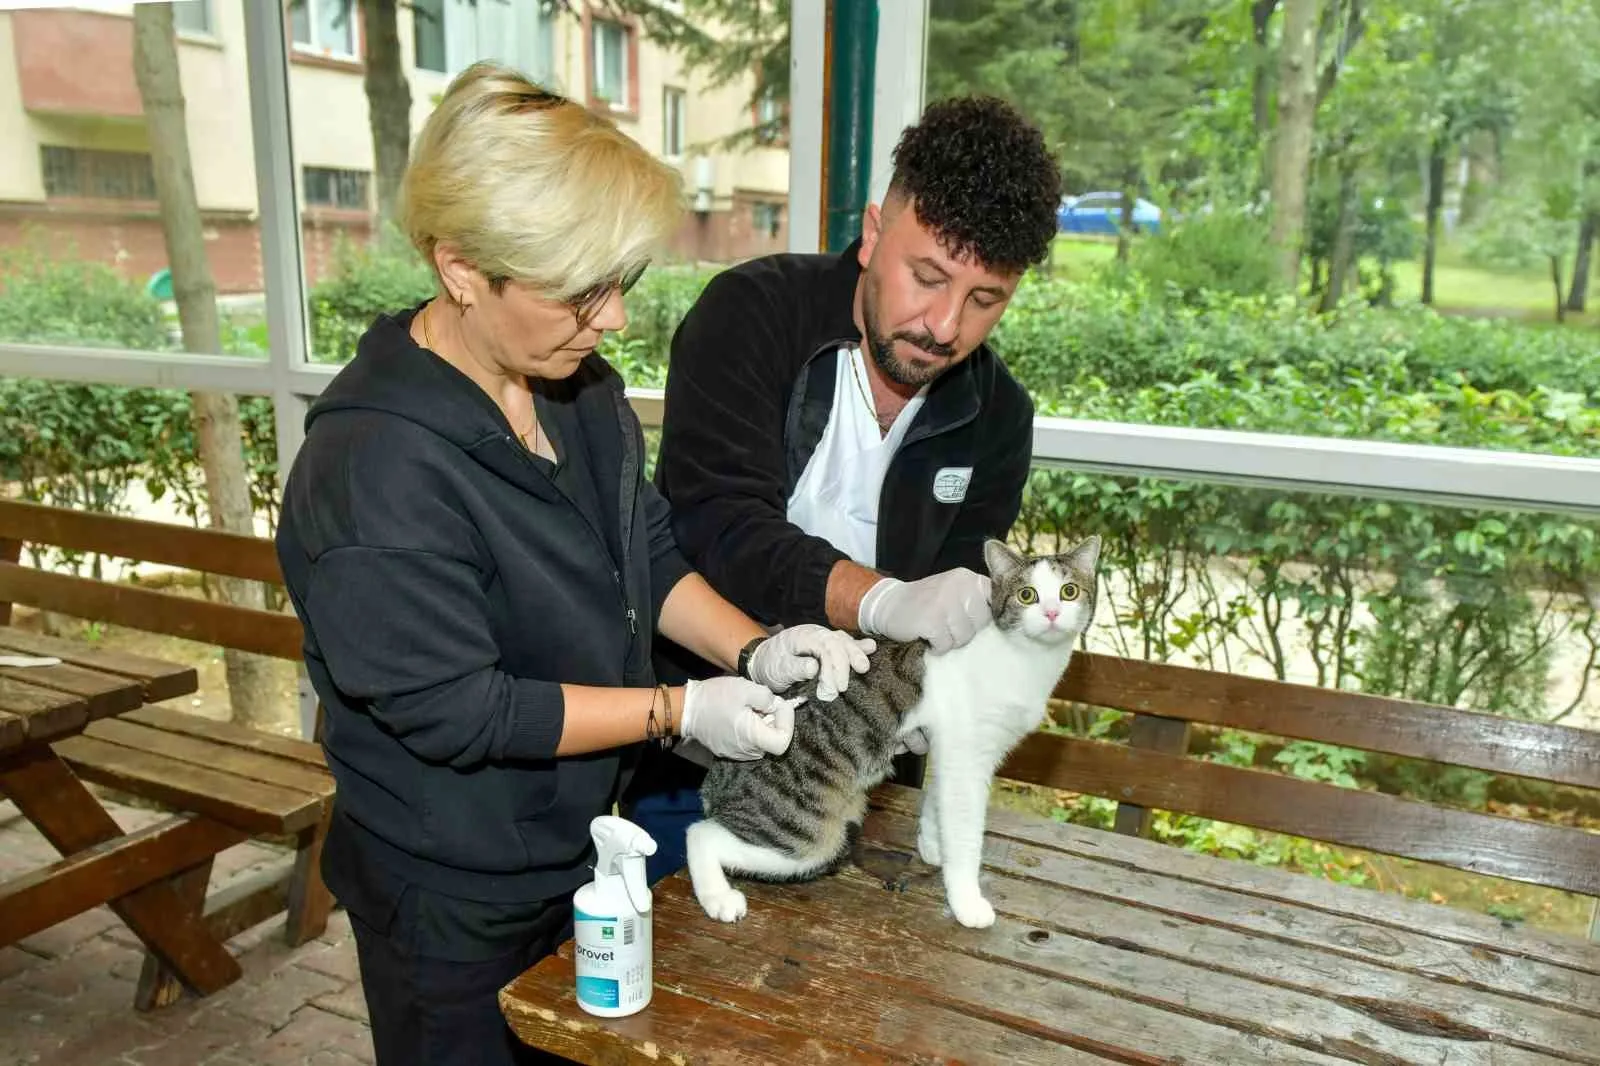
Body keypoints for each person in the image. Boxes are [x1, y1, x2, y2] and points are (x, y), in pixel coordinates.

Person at [273, 63, 873, 1066]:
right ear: (461, 267)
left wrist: (757, 648)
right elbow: (466, 710)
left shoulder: (572, 387)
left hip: (583, 837)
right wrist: (681, 713)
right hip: (452, 886)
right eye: (581, 293)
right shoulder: (375, 468)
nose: (614, 322)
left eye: (621, 285)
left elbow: (637, 545)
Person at [626, 95, 1063, 881]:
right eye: (926, 277)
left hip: (848, 779)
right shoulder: (748, 317)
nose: (944, 325)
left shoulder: (999, 418)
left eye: (984, 299)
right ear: (870, 236)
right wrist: (882, 600)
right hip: (692, 751)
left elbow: (966, 607)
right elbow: (714, 526)